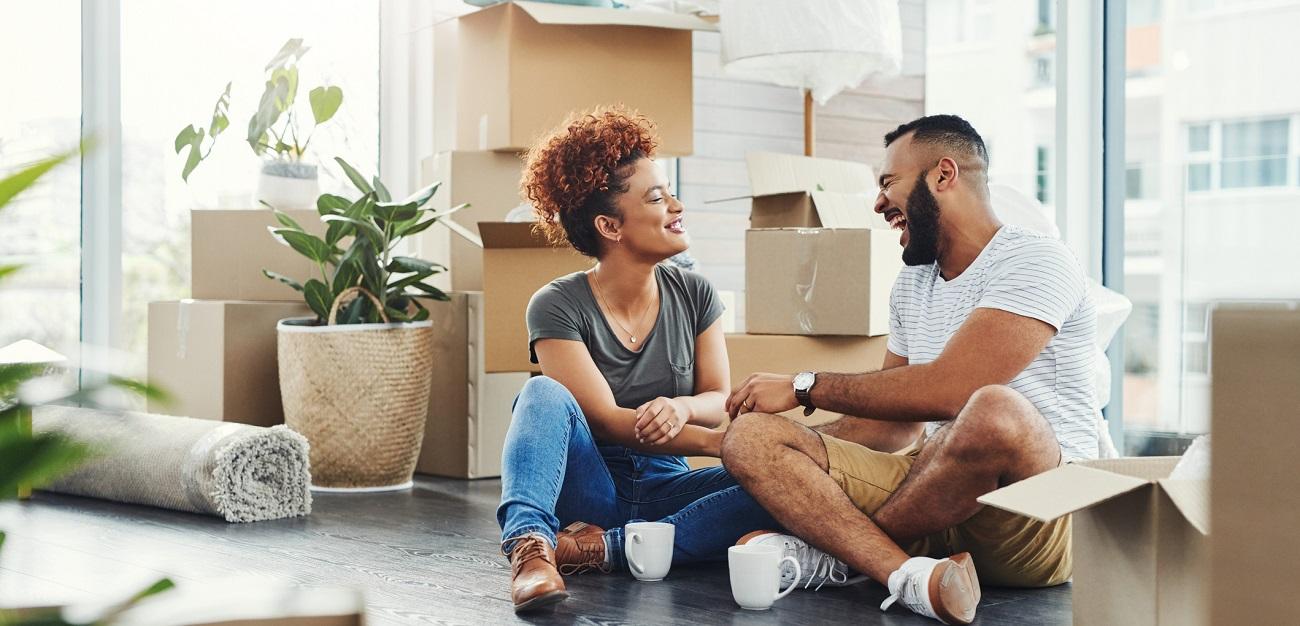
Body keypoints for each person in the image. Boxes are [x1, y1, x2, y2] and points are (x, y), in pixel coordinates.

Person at [720, 114, 1098, 625]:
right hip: (933, 494)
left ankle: (844, 558)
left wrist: (804, 386)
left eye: (887, 183)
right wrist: (791, 452)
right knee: (750, 439)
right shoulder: (913, 285)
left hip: (1039, 510)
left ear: (943, 175)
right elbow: (888, 427)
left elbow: (951, 392)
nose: (878, 203)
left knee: (994, 410)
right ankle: (909, 575)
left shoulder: (1036, 260)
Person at [497, 107, 777, 613]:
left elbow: (718, 398)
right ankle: (532, 549)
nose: (676, 204)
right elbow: (606, 421)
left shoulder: (695, 293)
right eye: (656, 197)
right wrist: (725, 446)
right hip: (590, 486)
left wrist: (686, 409)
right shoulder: (555, 304)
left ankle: (600, 549)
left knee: (786, 483)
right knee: (539, 392)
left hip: (668, 481)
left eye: (669, 191)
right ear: (609, 225)